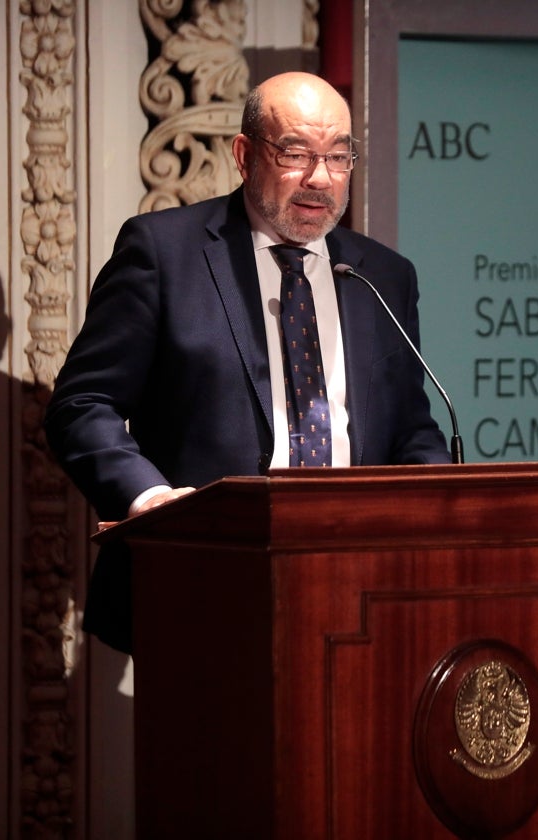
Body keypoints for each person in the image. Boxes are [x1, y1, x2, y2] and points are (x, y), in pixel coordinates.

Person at [44, 71, 450, 653]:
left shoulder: (382, 274)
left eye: (339, 156)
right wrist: (153, 502)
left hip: (359, 586)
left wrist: (447, 499)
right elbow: (83, 406)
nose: (321, 178)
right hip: (206, 575)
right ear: (244, 154)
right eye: (295, 153)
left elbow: (410, 425)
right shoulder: (164, 253)